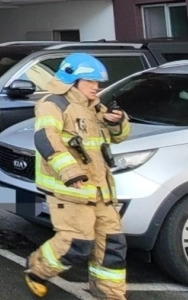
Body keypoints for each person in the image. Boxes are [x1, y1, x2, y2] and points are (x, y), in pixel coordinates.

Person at [26, 53, 131, 299]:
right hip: (71, 190)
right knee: (77, 243)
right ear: (71, 80)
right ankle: (36, 270)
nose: (96, 87)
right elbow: (46, 137)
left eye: (97, 82)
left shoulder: (95, 107)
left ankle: (110, 294)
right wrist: (69, 171)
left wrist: (117, 121)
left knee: (112, 246)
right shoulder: (53, 104)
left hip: (101, 191)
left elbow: (119, 136)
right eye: (90, 81)